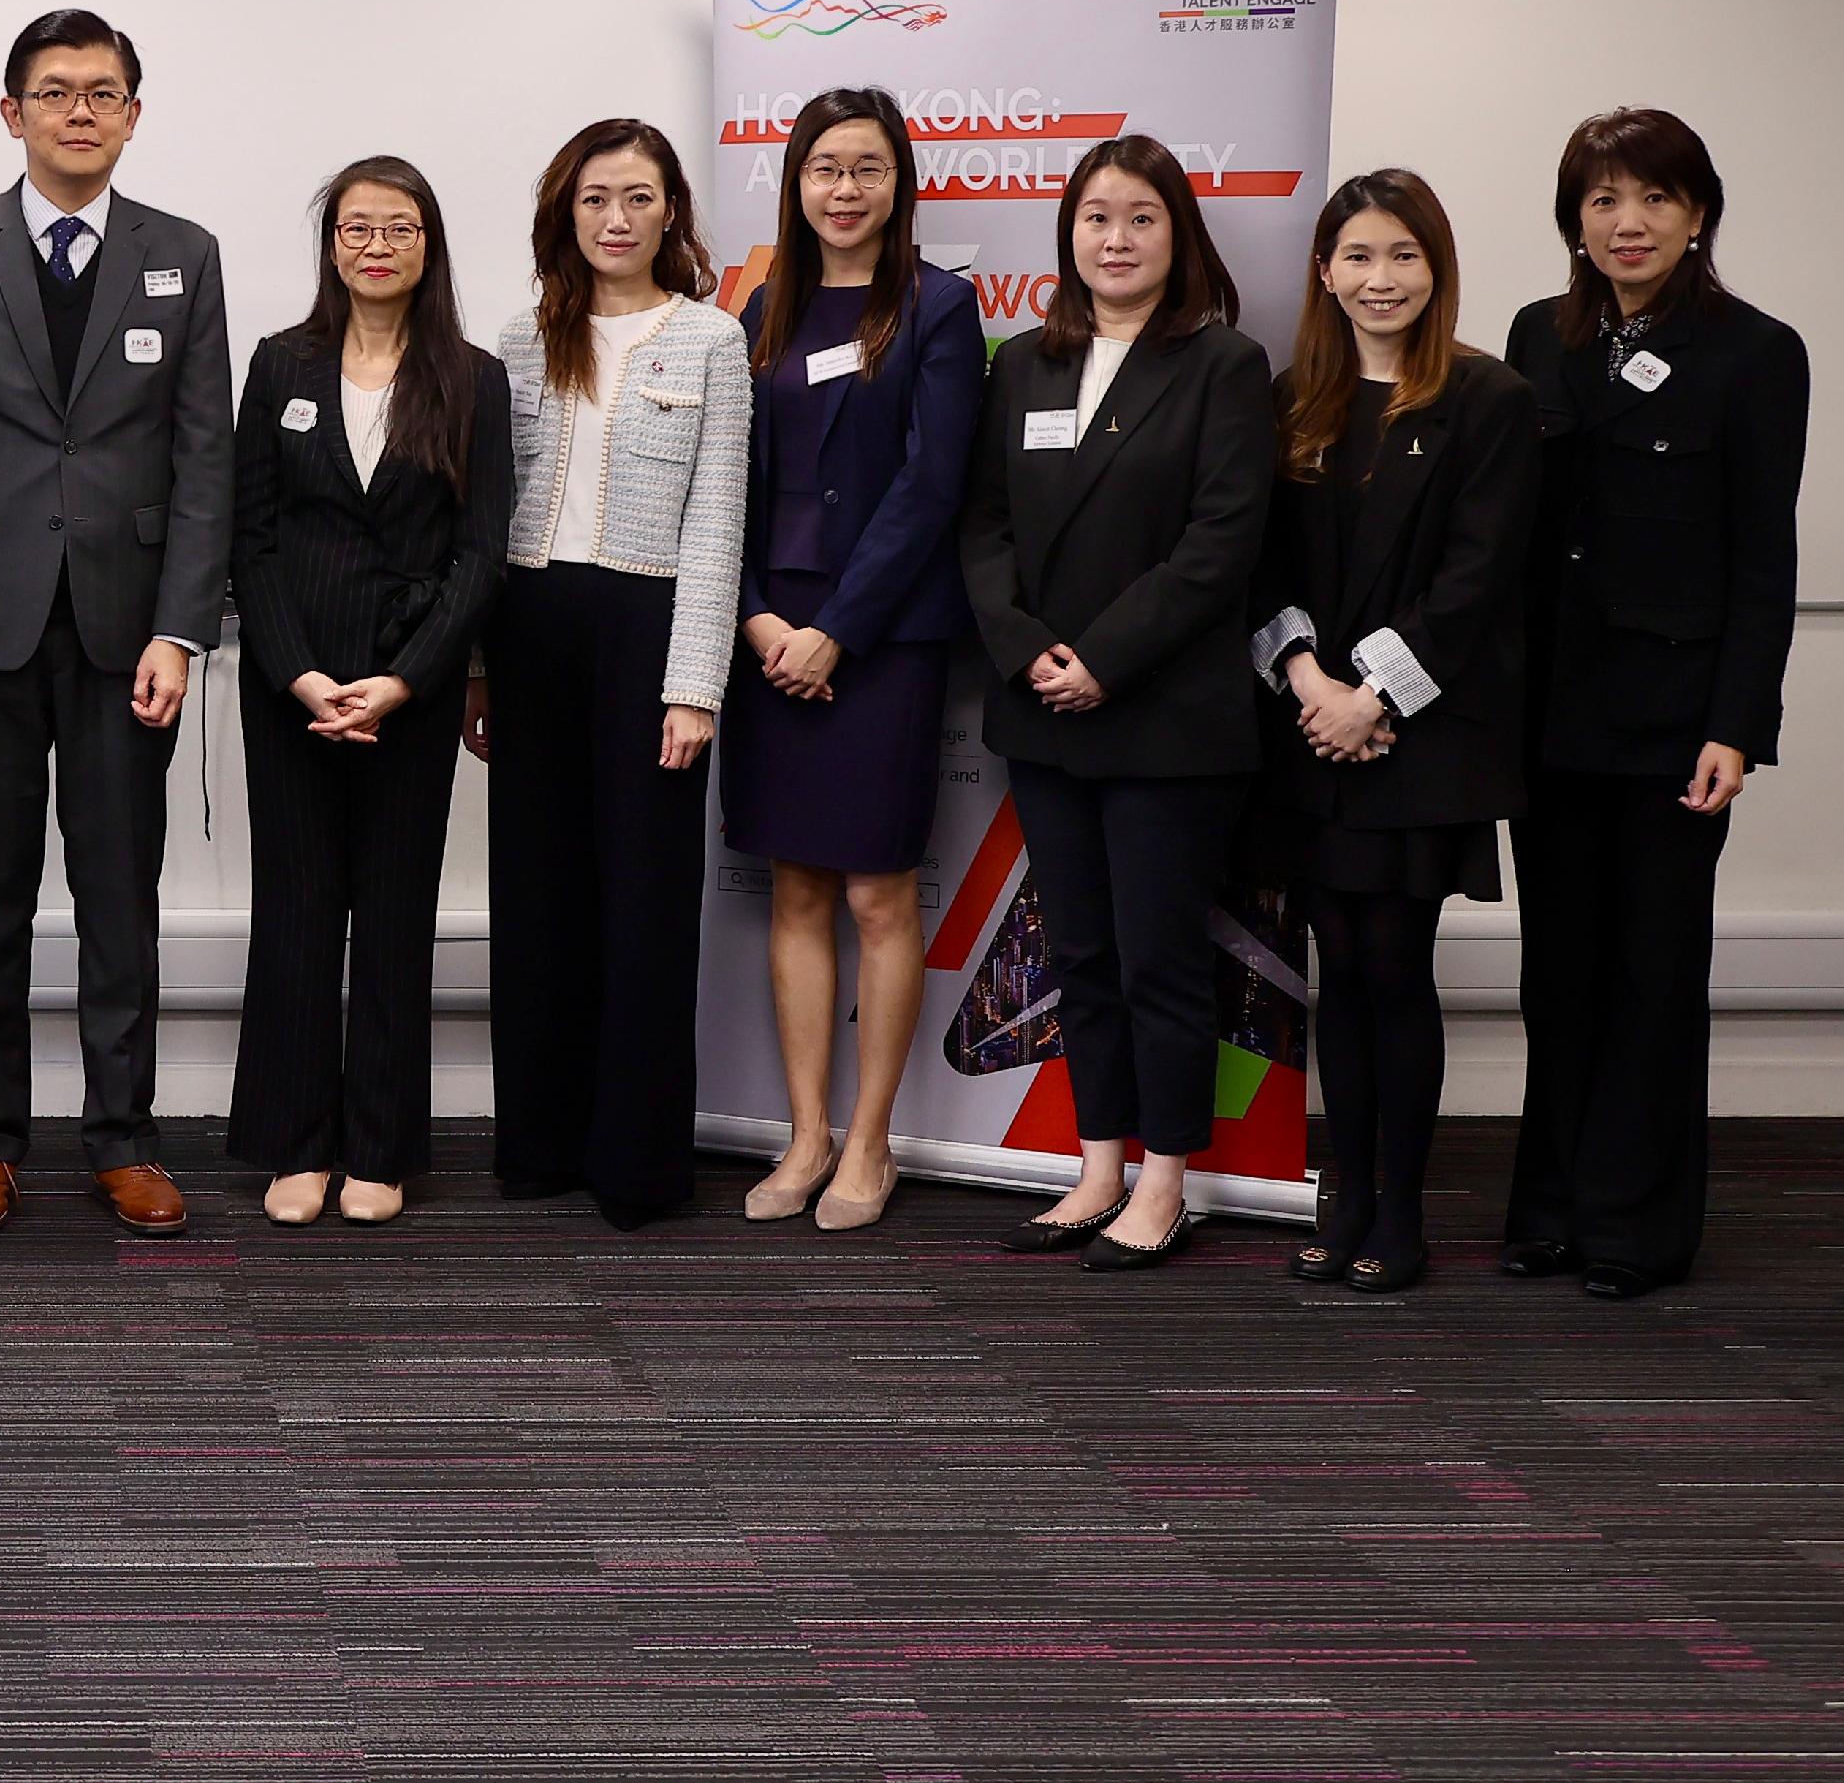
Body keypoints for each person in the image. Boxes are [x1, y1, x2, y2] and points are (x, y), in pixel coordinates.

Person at [0, 7, 233, 1238]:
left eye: (102, 92)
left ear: (134, 113)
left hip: (127, 633)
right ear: (11, 110)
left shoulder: (184, 254)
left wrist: (183, 630)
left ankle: (123, 1141)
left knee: (118, 894)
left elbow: (204, 461)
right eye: (54, 91)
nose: (78, 111)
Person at [1502, 109, 1805, 1300]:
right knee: (1556, 968)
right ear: (1573, 221)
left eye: (1654, 200)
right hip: (1550, 708)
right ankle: (1552, 1208)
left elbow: (1761, 559)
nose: (1627, 223)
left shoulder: (1753, 349)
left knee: (1654, 969)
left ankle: (1638, 1228)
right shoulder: (1537, 335)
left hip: (1680, 714)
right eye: (1601, 201)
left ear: (1697, 214)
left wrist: (1740, 724)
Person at [958, 134, 1274, 1270]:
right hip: (1041, 709)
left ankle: (1167, 1179)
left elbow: (1221, 545)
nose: (1116, 239)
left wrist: (1103, 657)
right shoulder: (1024, 363)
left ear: (1175, 233)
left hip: (1164, 717)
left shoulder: (1223, 365)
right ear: (1068, 235)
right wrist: (1030, 650)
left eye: (1139, 218)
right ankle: (1096, 1166)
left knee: (1160, 958)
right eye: (1096, 218)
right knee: (1078, 952)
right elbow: (982, 526)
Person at [1246, 168, 1537, 1296]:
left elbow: (1478, 577)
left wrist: (1369, 697)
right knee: (1333, 971)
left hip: (1423, 739)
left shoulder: (1486, 398)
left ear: (1436, 268)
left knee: (1393, 969)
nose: (1381, 279)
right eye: (1359, 257)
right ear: (1324, 270)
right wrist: (1313, 684)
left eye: (1403, 256)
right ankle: (1343, 1196)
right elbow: (1261, 566)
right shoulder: (1291, 399)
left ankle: (1398, 1213)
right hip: (1310, 733)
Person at [472, 117, 749, 1231]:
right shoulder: (516, 337)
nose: (615, 220)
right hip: (533, 623)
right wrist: (483, 672)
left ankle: (635, 1162)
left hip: (648, 629)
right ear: (565, 212)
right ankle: (538, 1144)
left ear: (669, 211)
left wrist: (694, 686)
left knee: (642, 901)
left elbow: (718, 521)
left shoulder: (710, 340)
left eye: (636, 198)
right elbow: (487, 521)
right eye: (594, 199)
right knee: (536, 894)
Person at [225, 157, 512, 1229]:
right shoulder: (280, 365)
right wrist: (298, 670)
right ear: (330, 244)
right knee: (297, 914)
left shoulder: (472, 378)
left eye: (398, 228)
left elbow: (481, 553)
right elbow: (247, 541)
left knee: (393, 917)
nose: (376, 245)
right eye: (356, 228)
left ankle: (380, 1147)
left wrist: (402, 679)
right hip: (288, 681)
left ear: (428, 245)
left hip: (413, 687)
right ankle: (296, 1140)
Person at [721, 86, 985, 1234]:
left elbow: (936, 489)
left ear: (898, 184)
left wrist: (839, 629)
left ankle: (871, 1143)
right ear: (798, 181)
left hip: (875, 642)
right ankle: (804, 1135)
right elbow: (722, 478)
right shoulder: (762, 306)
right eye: (825, 167)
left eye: (866, 168)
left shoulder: (937, 307)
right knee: (794, 888)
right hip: (770, 633)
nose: (843, 189)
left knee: (878, 891)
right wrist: (755, 621)